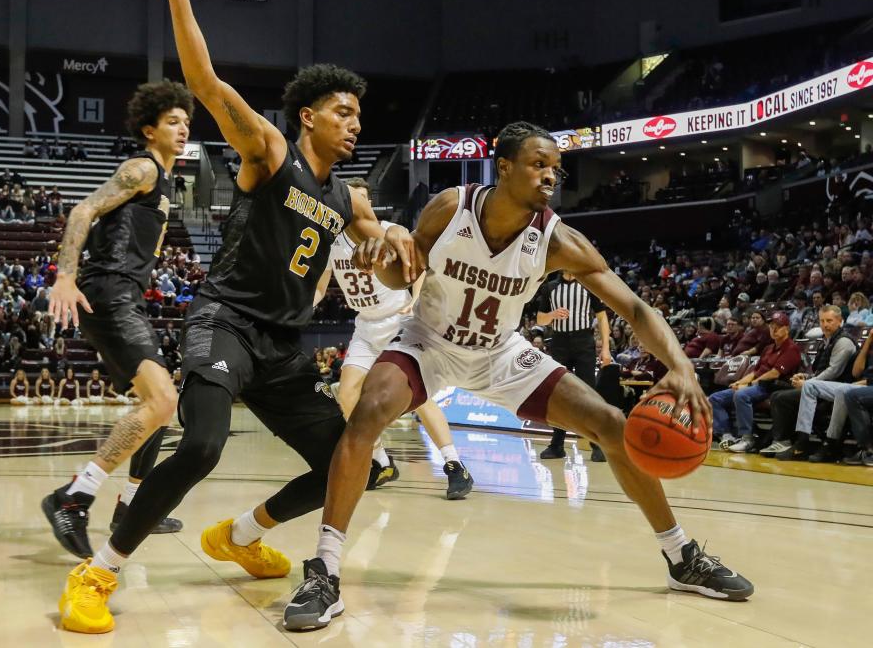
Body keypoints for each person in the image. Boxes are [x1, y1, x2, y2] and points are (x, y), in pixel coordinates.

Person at [55, 0, 417, 635]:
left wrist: (397, 245)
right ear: (309, 114)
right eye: (343, 112)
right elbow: (206, 79)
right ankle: (96, 574)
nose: (355, 124)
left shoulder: (348, 195)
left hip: (284, 347)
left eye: (359, 115)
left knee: (359, 463)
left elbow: (382, 259)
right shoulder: (270, 152)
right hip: (226, 322)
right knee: (203, 444)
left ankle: (240, 535)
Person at [284, 121, 752, 631]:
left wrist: (680, 365)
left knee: (612, 423)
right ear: (504, 167)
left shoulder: (558, 241)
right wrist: (381, 263)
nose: (550, 176)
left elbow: (634, 308)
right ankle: (326, 569)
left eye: (556, 168)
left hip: (501, 353)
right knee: (368, 411)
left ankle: (681, 555)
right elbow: (406, 271)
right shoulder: (451, 206)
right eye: (538, 164)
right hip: (430, 343)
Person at [41, 80, 191, 563]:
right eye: (172, 121)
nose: (183, 127)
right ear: (150, 129)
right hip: (109, 291)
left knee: (159, 406)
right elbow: (83, 210)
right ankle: (74, 497)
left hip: (127, 296)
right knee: (163, 399)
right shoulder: (142, 167)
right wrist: (65, 277)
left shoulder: (166, 184)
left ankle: (127, 506)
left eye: (186, 120)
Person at [315, 176, 474, 498]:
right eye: (349, 199)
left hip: (399, 322)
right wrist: (304, 307)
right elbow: (320, 285)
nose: (354, 204)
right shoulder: (331, 242)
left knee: (419, 396)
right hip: (366, 325)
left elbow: (419, 268)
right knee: (346, 394)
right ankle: (383, 461)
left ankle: (454, 464)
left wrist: (415, 301)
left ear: (368, 203)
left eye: (360, 198)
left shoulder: (384, 230)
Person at [535, 269, 613, 462]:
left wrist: (606, 348)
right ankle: (557, 445)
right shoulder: (550, 287)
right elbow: (540, 319)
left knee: (589, 393)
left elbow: (602, 317)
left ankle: (597, 443)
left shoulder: (589, 285)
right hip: (560, 342)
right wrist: (552, 314)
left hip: (583, 341)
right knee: (559, 393)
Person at [763, 306, 859, 461]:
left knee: (781, 398)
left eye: (829, 320)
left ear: (840, 321)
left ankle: (789, 441)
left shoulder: (844, 341)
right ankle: (783, 440)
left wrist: (808, 383)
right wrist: (806, 377)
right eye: (822, 320)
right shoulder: (826, 340)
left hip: (837, 389)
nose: (825, 324)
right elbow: (821, 370)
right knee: (778, 394)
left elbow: (833, 372)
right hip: (821, 386)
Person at [709, 312, 802, 453]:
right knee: (715, 398)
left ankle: (747, 438)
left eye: (778, 326)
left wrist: (749, 385)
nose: (774, 330)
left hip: (773, 387)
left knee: (741, 395)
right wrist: (740, 382)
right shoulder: (768, 348)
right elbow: (754, 372)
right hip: (757, 385)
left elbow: (774, 373)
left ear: (787, 329)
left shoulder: (791, 348)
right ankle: (726, 435)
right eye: (771, 326)